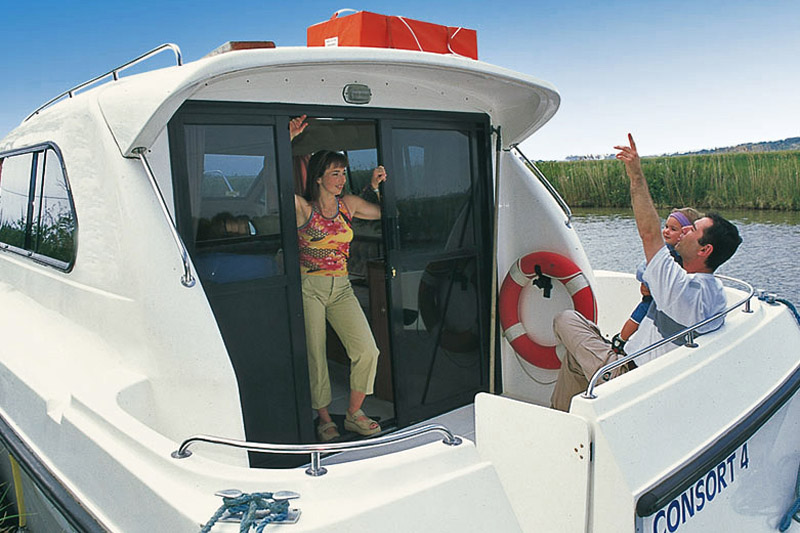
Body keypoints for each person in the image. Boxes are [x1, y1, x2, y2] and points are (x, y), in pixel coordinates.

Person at [550, 134, 741, 412]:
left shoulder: (680, 290)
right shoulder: (712, 292)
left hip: (630, 377)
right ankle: (562, 416)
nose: (685, 231)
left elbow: (649, 233)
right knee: (574, 359)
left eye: (693, 229)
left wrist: (636, 175)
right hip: (642, 369)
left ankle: (570, 409)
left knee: (565, 319)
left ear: (705, 250)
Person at [290, 116, 388, 441]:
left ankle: (353, 413)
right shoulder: (303, 208)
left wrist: (375, 187)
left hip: (342, 286)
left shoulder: (349, 205)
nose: (341, 179)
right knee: (316, 356)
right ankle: (323, 419)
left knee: (367, 350)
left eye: (343, 172)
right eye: (335, 173)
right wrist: (287, 139)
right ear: (318, 177)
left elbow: (384, 212)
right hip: (311, 287)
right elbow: (279, 186)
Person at [611, 207, 701, 354]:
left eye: (673, 229)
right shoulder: (664, 251)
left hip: (671, 300)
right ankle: (621, 339)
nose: (666, 231)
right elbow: (643, 268)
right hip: (654, 296)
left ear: (686, 233)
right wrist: (647, 282)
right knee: (640, 314)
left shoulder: (691, 255)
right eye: (666, 226)